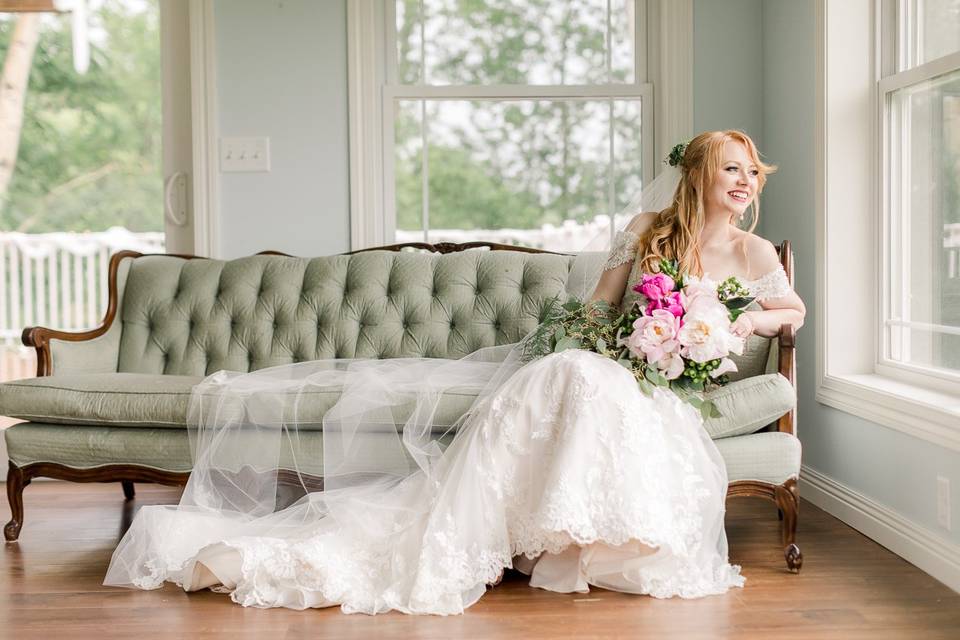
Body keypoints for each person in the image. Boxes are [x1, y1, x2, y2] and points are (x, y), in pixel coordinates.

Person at [103, 129, 806, 615]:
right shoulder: (649, 228)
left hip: (666, 392)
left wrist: (743, 321)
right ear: (700, 176)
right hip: (612, 361)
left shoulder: (750, 254)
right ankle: (438, 538)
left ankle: (578, 545)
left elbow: (793, 310)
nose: (745, 182)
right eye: (732, 169)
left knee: (584, 384)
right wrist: (613, 342)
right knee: (570, 374)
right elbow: (600, 305)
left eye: (752, 171)